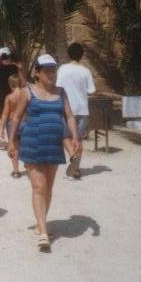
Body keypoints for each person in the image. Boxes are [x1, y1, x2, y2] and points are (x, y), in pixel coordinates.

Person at [8, 54, 81, 250]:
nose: (51, 73)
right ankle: (43, 231)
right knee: (39, 187)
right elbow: (16, 118)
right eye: (46, 70)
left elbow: (70, 116)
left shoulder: (61, 92)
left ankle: (41, 223)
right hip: (32, 144)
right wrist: (11, 142)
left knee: (48, 188)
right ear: (37, 73)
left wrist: (75, 136)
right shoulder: (27, 91)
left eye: (53, 70)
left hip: (53, 145)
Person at [56, 42, 96, 179]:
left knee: (64, 136)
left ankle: (73, 157)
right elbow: (91, 91)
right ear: (82, 55)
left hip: (67, 109)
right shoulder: (86, 71)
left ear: (68, 54)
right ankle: (76, 169)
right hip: (83, 109)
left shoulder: (63, 69)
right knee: (78, 139)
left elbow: (58, 87)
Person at [0, 46, 25, 149]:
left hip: (2, 95)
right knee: (15, 115)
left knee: (0, 116)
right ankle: (16, 138)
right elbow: (23, 81)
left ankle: (2, 139)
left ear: (0, 56)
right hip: (15, 95)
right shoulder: (15, 67)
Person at [0, 74, 25, 178]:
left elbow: (5, 114)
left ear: (10, 85)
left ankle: (16, 171)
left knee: (14, 146)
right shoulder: (25, 96)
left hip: (12, 124)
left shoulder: (9, 97)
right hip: (24, 122)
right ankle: (28, 164)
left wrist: (1, 128)